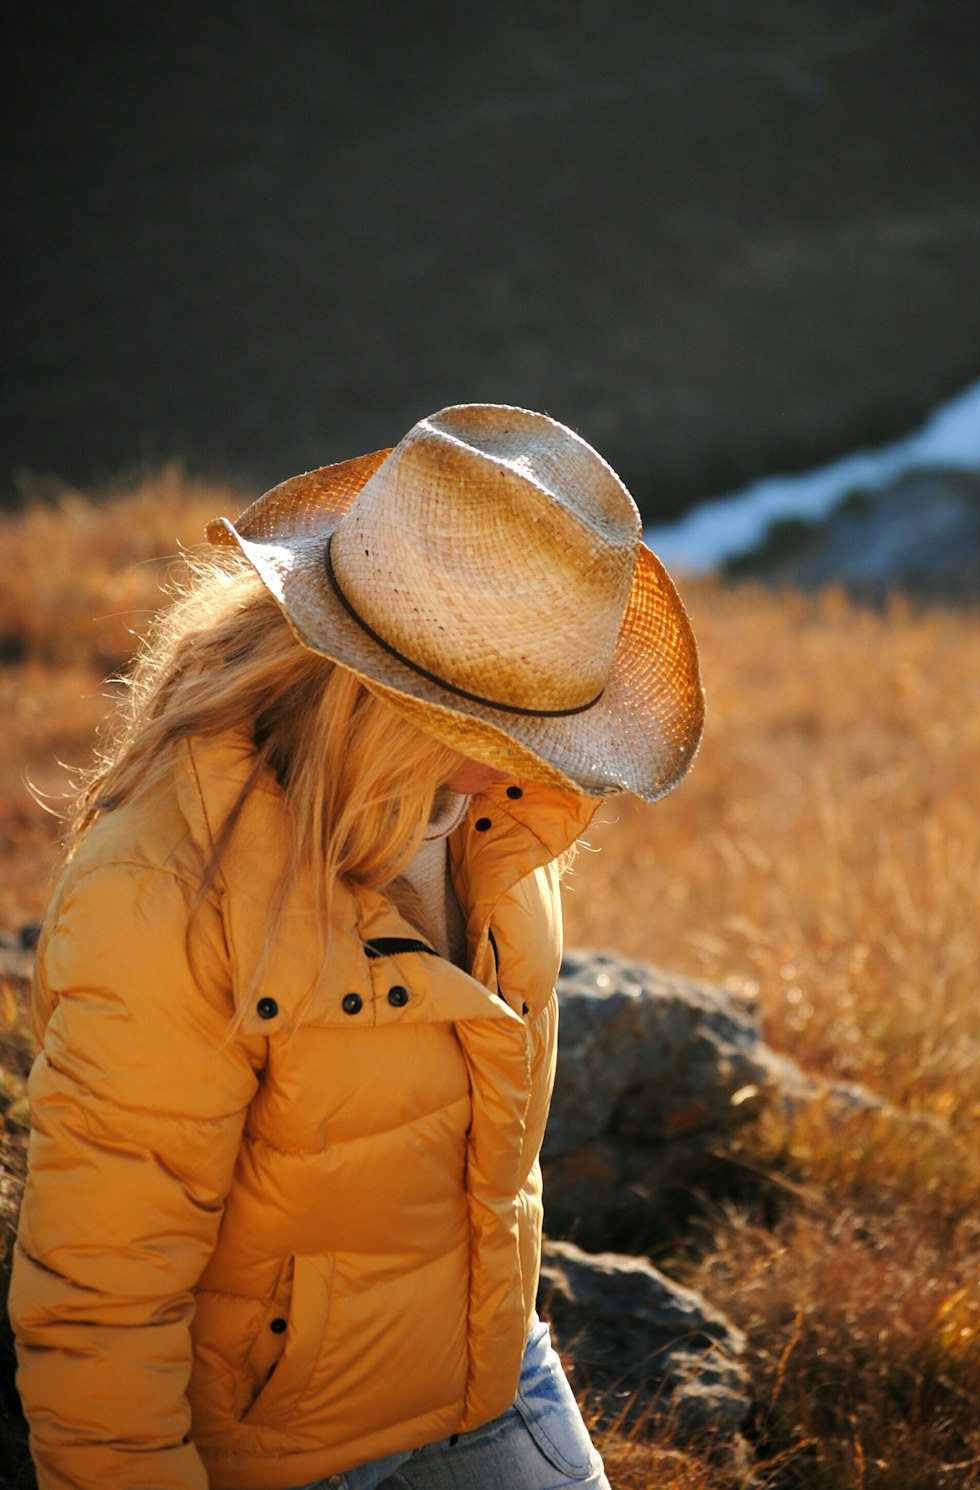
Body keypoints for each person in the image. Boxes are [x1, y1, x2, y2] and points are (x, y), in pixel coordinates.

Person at [9, 403, 704, 1490]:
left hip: (492, 1365)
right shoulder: (168, 887)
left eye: (543, 722)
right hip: (286, 1450)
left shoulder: (504, 809)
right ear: (383, 696)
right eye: (497, 727)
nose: (536, 762)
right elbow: (100, 1291)